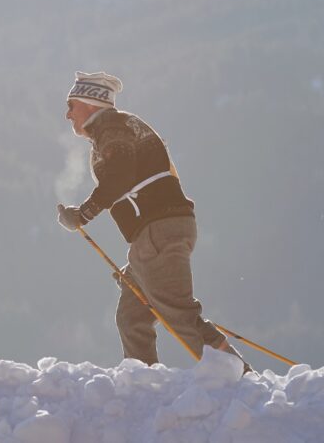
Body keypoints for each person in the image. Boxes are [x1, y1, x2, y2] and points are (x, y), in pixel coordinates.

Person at [56, 72, 247, 368]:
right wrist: (140, 265)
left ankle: (239, 379)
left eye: (72, 105)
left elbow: (119, 177)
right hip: (161, 231)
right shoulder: (120, 126)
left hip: (157, 230)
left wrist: (83, 214)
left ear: (90, 104)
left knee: (180, 316)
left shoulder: (112, 128)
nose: (67, 114)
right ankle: (143, 380)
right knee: (132, 318)